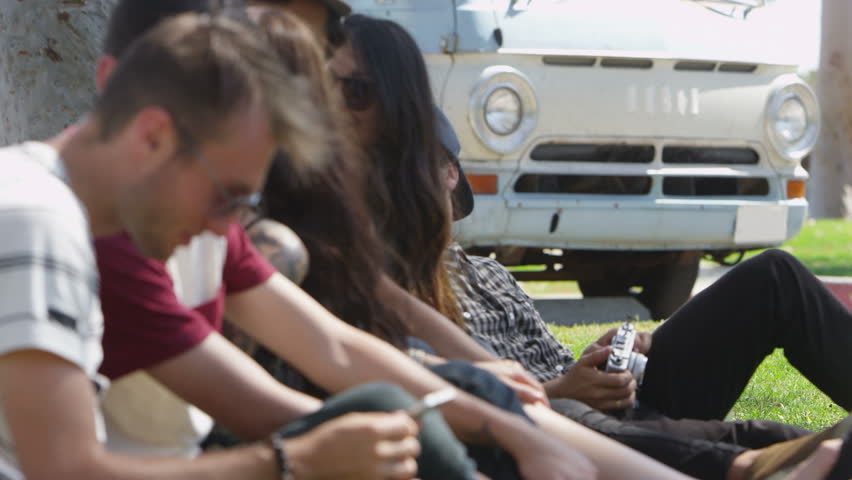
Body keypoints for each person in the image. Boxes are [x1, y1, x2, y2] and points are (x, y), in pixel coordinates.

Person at [89, 4, 616, 480]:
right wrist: (307, 454)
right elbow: (267, 395)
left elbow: (337, 344)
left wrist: (482, 407)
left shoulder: (208, 217)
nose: (318, 103)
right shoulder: (104, 236)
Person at [329, 12, 852, 480]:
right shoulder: (372, 282)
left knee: (774, 277)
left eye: (439, 165)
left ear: (451, 176)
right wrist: (562, 392)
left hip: (611, 411)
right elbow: (453, 392)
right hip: (552, 426)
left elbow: (552, 364)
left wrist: (606, 361)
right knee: (765, 443)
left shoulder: (489, 276)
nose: (430, 182)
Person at [0, 11, 431, 480]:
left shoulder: (50, 208)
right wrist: (296, 461)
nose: (224, 229)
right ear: (153, 136)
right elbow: (66, 470)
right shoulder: (38, 220)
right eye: (226, 197)